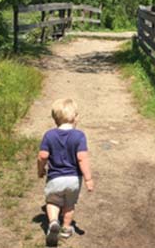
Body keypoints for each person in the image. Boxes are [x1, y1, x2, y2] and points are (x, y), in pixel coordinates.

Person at [37, 98, 94, 246]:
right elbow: (82, 158)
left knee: (52, 202)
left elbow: (43, 156)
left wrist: (40, 169)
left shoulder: (49, 135)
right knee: (69, 205)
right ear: (75, 117)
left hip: (55, 178)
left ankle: (54, 222)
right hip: (73, 179)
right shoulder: (79, 136)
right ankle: (66, 228)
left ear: (55, 119)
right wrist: (88, 179)